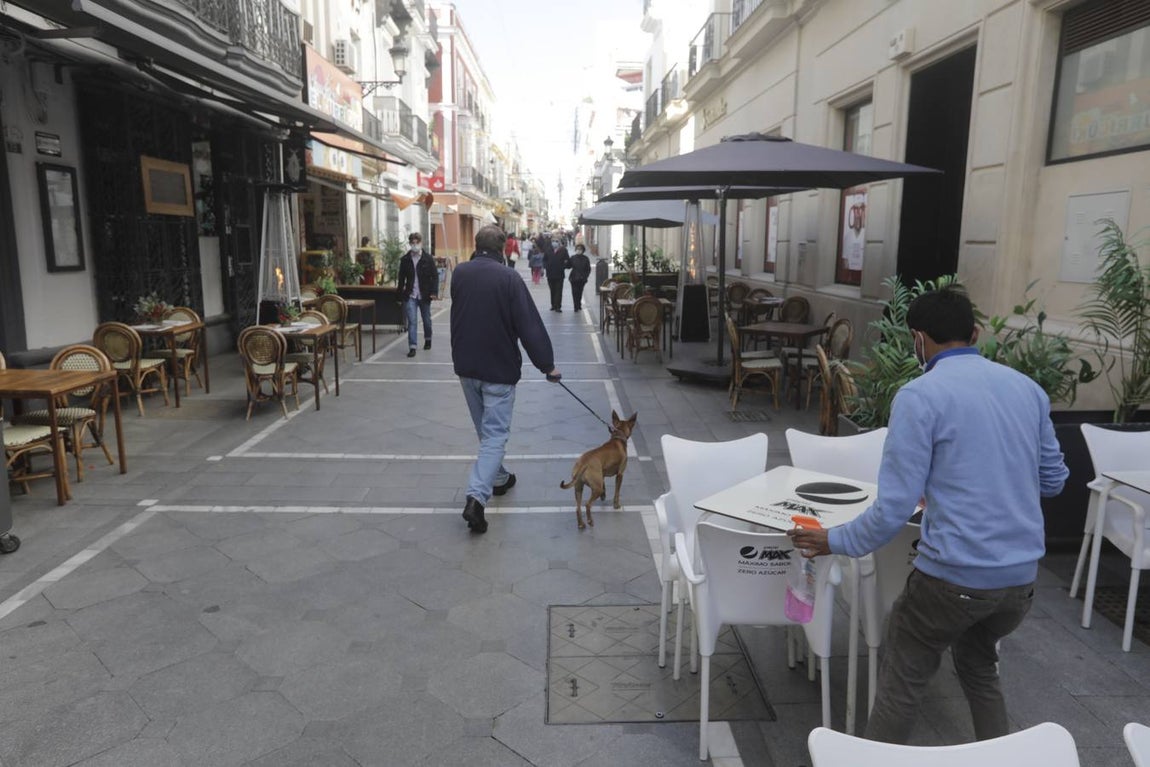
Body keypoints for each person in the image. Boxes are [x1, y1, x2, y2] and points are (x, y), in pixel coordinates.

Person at [789, 287, 1068, 745]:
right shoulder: (1028, 391)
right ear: (975, 333)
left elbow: (891, 511)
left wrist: (831, 541)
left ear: (918, 340)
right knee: (980, 668)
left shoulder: (920, 396)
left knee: (903, 677)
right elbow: (1053, 482)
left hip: (952, 581)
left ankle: (875, 759)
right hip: (1018, 585)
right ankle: (1001, 756)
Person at [451, 224, 561, 534]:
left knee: (486, 434)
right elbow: (529, 325)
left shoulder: (459, 273)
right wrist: (547, 365)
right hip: (498, 369)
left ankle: (498, 478)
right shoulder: (509, 278)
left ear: (476, 245)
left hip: (466, 367)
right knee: (495, 434)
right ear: (503, 249)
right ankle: (476, 498)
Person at [396, 232, 438, 358]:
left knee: (426, 320)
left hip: (424, 295)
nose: (415, 245)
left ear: (421, 243)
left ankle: (428, 338)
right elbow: (401, 278)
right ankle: (412, 347)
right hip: (411, 295)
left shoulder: (428, 259)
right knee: (412, 321)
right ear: (410, 244)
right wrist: (399, 296)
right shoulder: (405, 259)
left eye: (417, 243)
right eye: (412, 243)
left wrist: (434, 292)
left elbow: (435, 276)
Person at [543, 234, 571, 311]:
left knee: (558, 290)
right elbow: (544, 260)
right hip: (550, 274)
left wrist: (564, 265)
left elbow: (567, 261)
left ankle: (558, 306)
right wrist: (546, 266)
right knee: (552, 290)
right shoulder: (548, 250)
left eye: (556, 241)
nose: (554, 242)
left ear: (559, 242)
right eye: (553, 241)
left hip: (559, 274)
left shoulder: (563, 250)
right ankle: (553, 305)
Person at [568, 243, 591, 312]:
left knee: (580, 292)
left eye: (580, 249)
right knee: (574, 292)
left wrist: (585, 276)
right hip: (574, 278)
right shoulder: (572, 258)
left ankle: (579, 304)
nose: (578, 250)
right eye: (577, 249)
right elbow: (568, 266)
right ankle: (576, 306)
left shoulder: (586, 259)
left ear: (583, 251)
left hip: (582, 279)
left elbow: (588, 269)